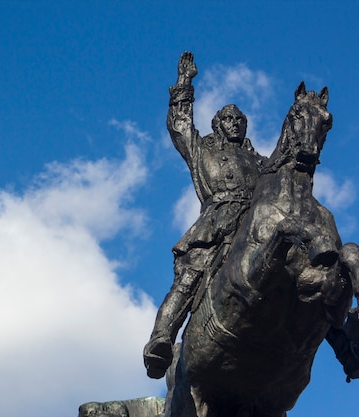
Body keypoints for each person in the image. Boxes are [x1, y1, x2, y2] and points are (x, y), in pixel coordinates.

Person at [144, 52, 267, 379]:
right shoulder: (204, 149)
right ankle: (161, 337)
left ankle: (344, 338)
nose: (235, 123)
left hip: (255, 226)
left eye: (240, 120)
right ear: (217, 124)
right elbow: (180, 124)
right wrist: (185, 82)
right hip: (217, 223)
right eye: (228, 118)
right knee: (189, 277)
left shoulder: (261, 162)